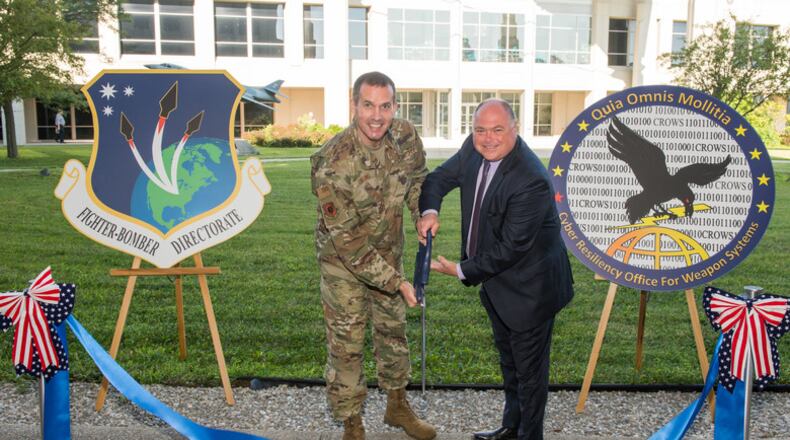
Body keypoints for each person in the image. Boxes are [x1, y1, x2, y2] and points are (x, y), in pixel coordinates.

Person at [418, 99, 574, 440]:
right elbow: (439, 179)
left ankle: (529, 436)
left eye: (498, 130)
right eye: (480, 130)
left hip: (531, 288)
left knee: (530, 374)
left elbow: (511, 249)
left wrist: (459, 270)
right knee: (510, 362)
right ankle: (511, 426)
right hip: (497, 283)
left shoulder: (531, 178)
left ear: (515, 130)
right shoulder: (474, 150)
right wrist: (429, 210)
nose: (488, 138)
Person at [311, 71, 437, 440]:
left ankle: (397, 406)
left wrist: (421, 214)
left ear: (395, 107)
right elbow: (348, 242)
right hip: (343, 266)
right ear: (354, 106)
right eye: (368, 105)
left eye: (385, 106)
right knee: (347, 345)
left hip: (389, 252)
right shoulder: (331, 162)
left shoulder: (404, 136)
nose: (377, 116)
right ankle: (352, 423)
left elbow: (417, 180)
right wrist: (398, 282)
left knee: (393, 333)